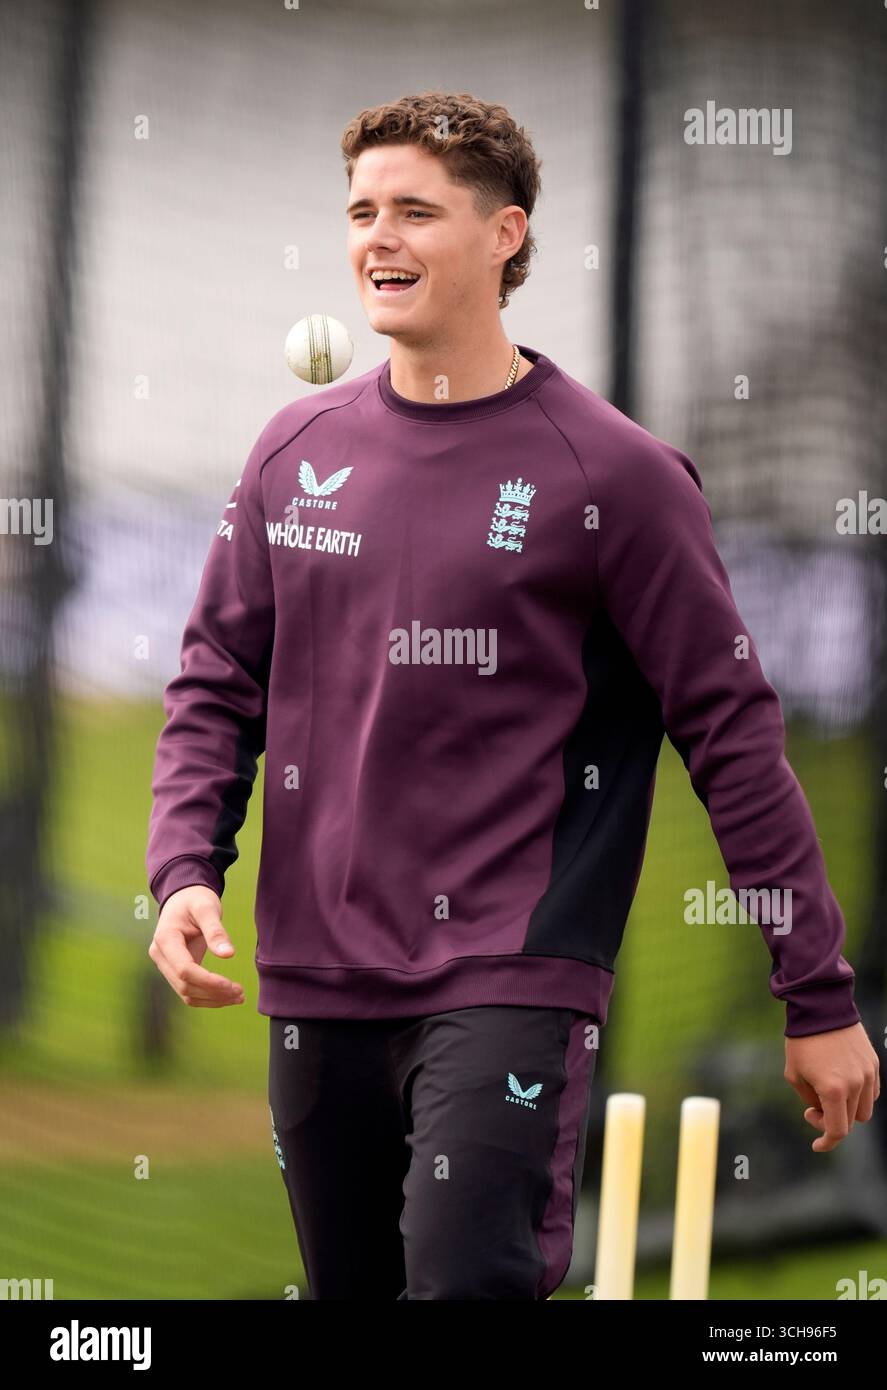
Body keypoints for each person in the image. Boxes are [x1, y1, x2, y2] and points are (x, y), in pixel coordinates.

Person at [145, 90, 880, 1300]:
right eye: (362, 210)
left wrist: (815, 992)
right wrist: (183, 869)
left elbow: (730, 734)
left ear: (504, 236)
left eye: (416, 212)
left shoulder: (619, 476)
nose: (378, 237)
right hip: (316, 977)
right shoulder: (289, 453)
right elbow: (216, 681)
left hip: (511, 973)